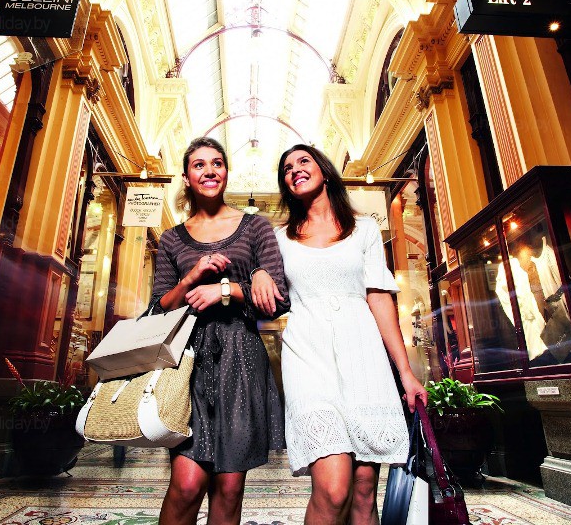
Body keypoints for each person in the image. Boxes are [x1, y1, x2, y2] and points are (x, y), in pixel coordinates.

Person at [252, 144, 428, 525]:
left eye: (303, 161)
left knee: (364, 492)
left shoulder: (364, 229)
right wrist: (258, 272)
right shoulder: (279, 238)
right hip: (307, 355)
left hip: (363, 355)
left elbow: (379, 298)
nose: (295, 169)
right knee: (334, 489)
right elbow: (254, 268)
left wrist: (406, 373)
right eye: (287, 168)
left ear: (325, 171)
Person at [151, 137, 290, 525]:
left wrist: (227, 289)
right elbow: (158, 308)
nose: (209, 171)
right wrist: (192, 277)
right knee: (187, 485)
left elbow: (279, 299)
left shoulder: (255, 227)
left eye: (216, 163)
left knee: (229, 488)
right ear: (186, 177)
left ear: (226, 173)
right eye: (199, 165)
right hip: (188, 363)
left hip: (241, 359)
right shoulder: (172, 238)